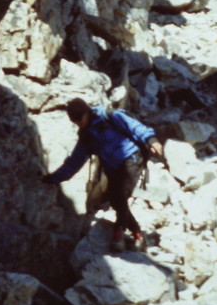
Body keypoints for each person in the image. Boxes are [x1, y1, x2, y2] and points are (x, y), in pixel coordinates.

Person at [43, 98, 163, 251]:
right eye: (74, 120)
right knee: (115, 200)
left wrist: (152, 140)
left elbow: (135, 127)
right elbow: (74, 163)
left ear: (87, 113)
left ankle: (118, 234)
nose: (78, 122)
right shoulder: (86, 137)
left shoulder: (110, 117)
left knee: (119, 197)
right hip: (112, 167)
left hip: (131, 159)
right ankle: (138, 233)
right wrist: (53, 178)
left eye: (79, 118)